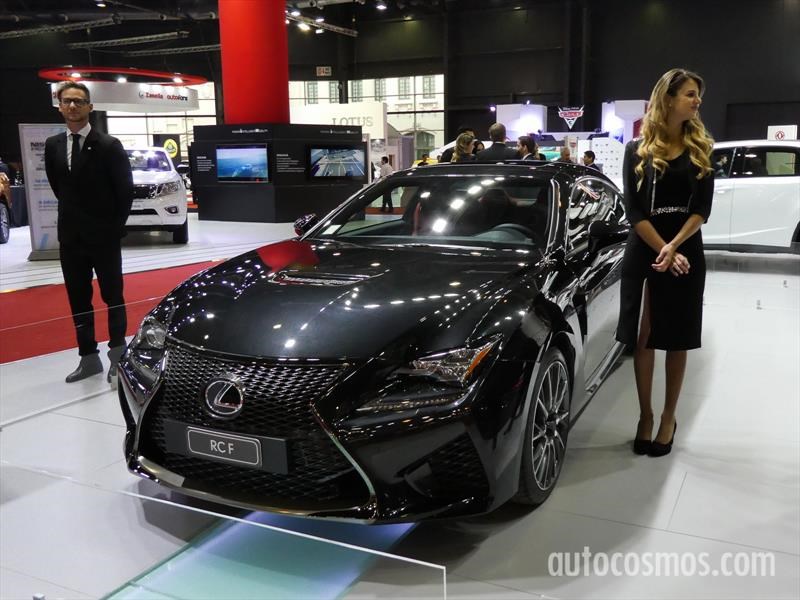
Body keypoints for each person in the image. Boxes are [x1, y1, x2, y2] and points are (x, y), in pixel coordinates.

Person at [616, 68, 714, 457]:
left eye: (697, 95)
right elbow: (634, 210)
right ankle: (644, 415)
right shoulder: (636, 149)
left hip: (686, 248)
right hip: (644, 248)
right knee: (645, 336)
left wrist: (674, 247)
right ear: (669, 98)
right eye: (690, 94)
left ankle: (669, 418)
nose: (697, 101)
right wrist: (662, 249)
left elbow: (702, 210)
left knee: (678, 337)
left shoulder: (701, 147)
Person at [44, 82, 134, 384]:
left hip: (104, 237)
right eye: (67, 101)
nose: (72, 107)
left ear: (89, 107)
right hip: (70, 238)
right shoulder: (53, 145)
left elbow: (125, 193)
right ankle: (88, 358)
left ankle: (118, 356)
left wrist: (111, 228)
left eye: (79, 102)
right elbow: (60, 188)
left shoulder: (109, 145)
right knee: (78, 299)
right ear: (59, 106)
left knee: (113, 296)